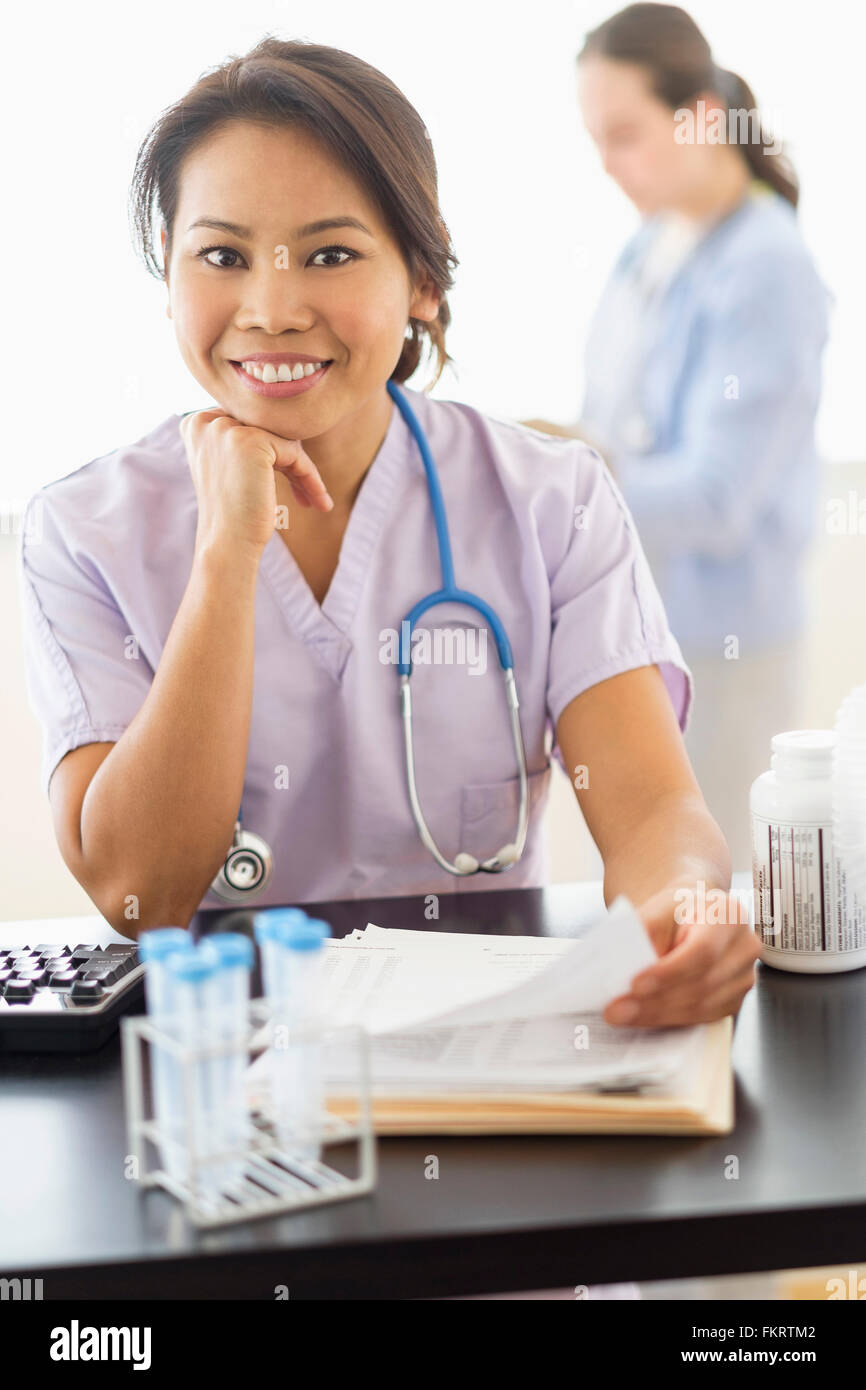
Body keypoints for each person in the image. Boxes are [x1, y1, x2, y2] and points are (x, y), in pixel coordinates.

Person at [18, 35, 760, 1047]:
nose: (271, 308)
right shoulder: (83, 532)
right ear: (169, 273)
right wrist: (227, 555)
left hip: (490, 1055)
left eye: (329, 253)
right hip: (223, 1092)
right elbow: (140, 896)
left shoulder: (550, 501)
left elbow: (650, 818)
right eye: (221, 255)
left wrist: (685, 905)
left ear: (420, 277)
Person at [523, 4, 830, 871]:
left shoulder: (766, 264)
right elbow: (621, 421)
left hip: (724, 644)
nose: (610, 165)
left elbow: (717, 499)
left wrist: (574, 474)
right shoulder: (654, 243)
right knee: (654, 889)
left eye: (625, 134)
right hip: (641, 626)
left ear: (699, 115)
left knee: (721, 893)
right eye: (597, 141)